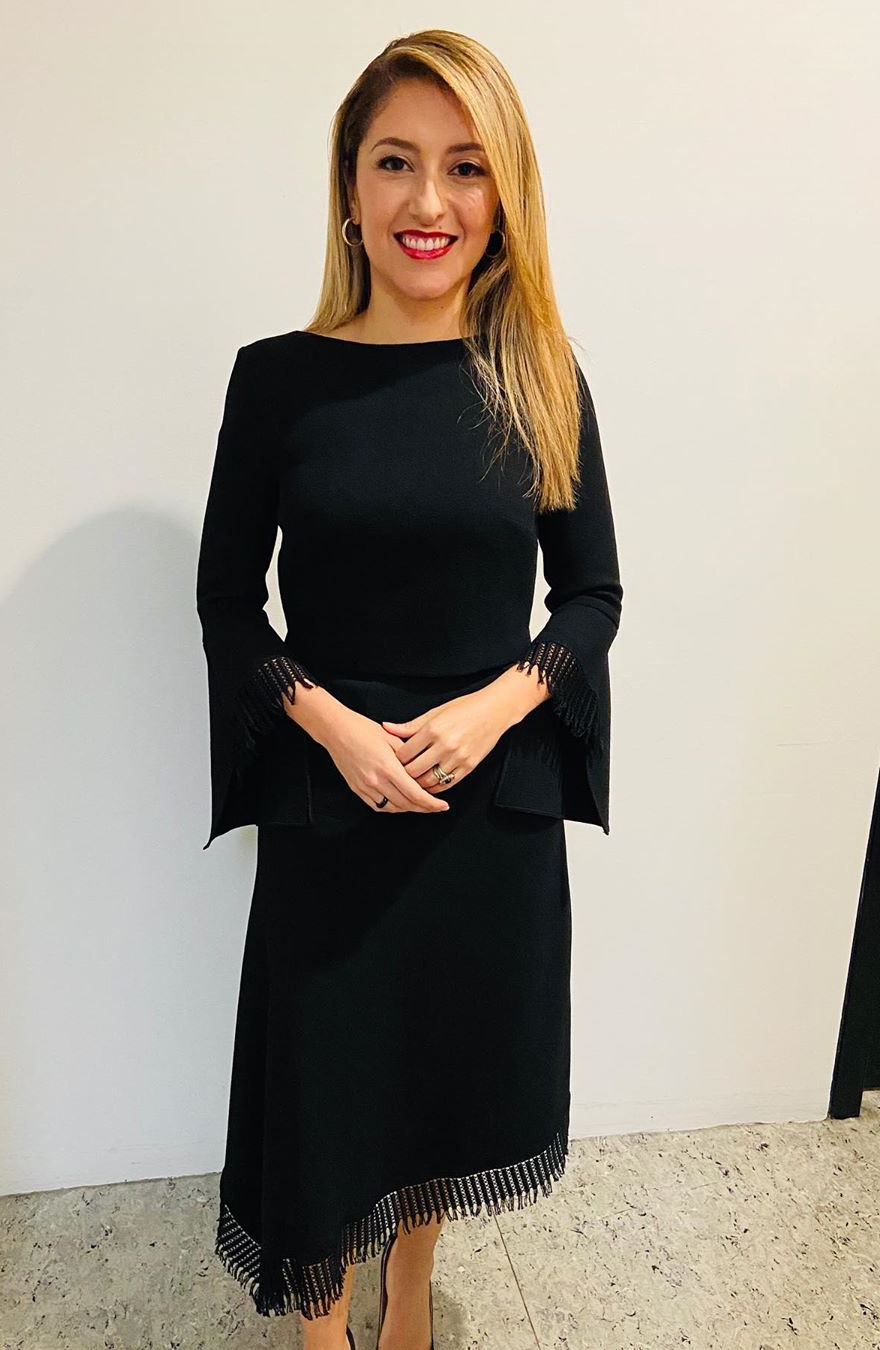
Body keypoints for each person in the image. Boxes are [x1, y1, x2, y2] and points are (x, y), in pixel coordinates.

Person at [195, 28, 623, 1350]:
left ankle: (414, 1282)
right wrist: (328, 725)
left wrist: (495, 706)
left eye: (465, 166)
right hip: (332, 806)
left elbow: (593, 597)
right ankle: (321, 1320)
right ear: (349, 184)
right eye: (395, 162)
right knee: (325, 1082)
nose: (428, 201)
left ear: (504, 194)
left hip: (486, 812)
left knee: (445, 1071)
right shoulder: (278, 381)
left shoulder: (539, 374)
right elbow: (226, 603)